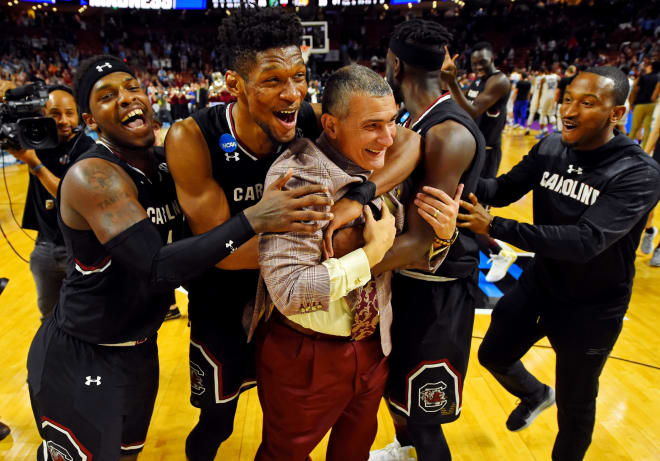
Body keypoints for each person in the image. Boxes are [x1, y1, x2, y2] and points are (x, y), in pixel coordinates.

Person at [26, 54, 332, 461]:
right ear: (90, 119)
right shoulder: (93, 177)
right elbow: (157, 267)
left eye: (132, 88)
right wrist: (254, 219)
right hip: (84, 349)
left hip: (138, 345)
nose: (125, 98)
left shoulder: (162, 166)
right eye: (107, 96)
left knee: (124, 454)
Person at [165, 8, 421, 461]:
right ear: (235, 84)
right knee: (218, 420)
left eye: (299, 76)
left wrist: (358, 196)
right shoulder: (193, 136)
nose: (292, 92)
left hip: (292, 310)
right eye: (273, 80)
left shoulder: (304, 115)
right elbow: (225, 254)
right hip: (227, 296)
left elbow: (406, 142)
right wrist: (336, 243)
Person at [252, 64, 460, 461]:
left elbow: (418, 257)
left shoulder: (376, 168)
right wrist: (371, 254)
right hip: (306, 353)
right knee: (285, 454)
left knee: (354, 451)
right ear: (330, 125)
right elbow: (291, 292)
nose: (387, 138)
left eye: (392, 122)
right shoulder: (298, 178)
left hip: (373, 344)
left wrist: (444, 234)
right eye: (372, 126)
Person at [454, 67, 660, 461]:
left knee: (576, 404)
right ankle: (534, 393)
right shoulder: (550, 148)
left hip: (593, 307)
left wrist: (494, 225)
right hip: (541, 285)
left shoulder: (638, 173)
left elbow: (587, 241)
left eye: (587, 103)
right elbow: (502, 189)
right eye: (567, 99)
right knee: (492, 354)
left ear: (617, 114)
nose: (569, 109)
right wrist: (449, 169)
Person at [367, 20, 486, 461]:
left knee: (424, 412)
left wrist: (338, 274)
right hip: (406, 279)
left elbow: (421, 242)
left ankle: (416, 446)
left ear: (395, 65)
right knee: (397, 393)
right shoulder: (409, 118)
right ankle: (403, 450)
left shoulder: (447, 132)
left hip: (438, 290)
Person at [6, 85, 95, 320]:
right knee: (48, 318)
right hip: (43, 247)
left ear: (78, 115)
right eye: (55, 113)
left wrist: (34, 164)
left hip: (77, 248)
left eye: (69, 113)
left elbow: (69, 196)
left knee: (83, 316)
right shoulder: (32, 139)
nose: (63, 120)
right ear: (43, 114)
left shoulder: (86, 148)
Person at [441, 41, 510, 178]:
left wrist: (452, 82)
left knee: (478, 197)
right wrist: (445, 78)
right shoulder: (478, 80)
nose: (478, 67)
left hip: (487, 152)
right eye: (474, 63)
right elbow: (459, 101)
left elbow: (472, 111)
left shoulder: (499, 80)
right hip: (473, 148)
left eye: (482, 62)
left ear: (491, 59)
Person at [628, 60, 660, 148]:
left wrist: (631, 102)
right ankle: (644, 148)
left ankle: (627, 148)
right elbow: (655, 96)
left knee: (634, 128)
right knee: (647, 128)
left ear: (651, 67)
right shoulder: (658, 78)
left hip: (640, 104)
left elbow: (636, 90)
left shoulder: (643, 77)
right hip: (652, 105)